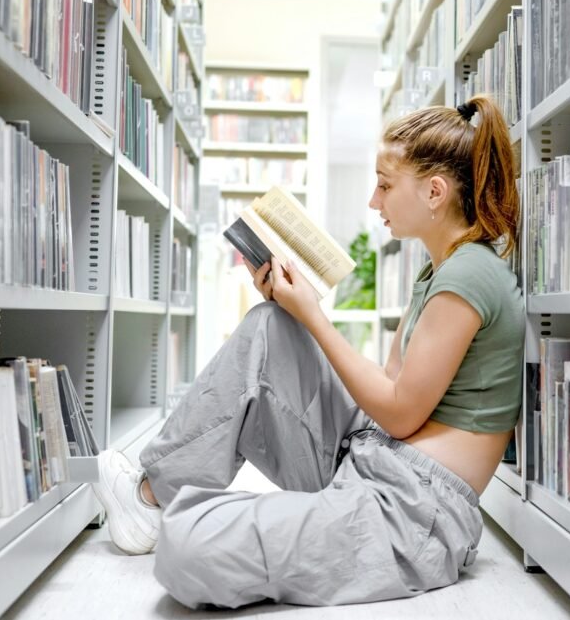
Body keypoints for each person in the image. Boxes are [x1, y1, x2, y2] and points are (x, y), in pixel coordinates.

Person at [92, 94, 525, 609]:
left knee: (190, 545)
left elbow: (403, 414)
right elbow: (389, 388)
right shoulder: (438, 271)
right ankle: (151, 498)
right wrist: (301, 311)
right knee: (271, 327)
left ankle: (175, 511)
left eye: (385, 186)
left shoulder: (469, 274)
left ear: (435, 192)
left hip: (412, 511)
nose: (373, 201)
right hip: (376, 457)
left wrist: (315, 318)